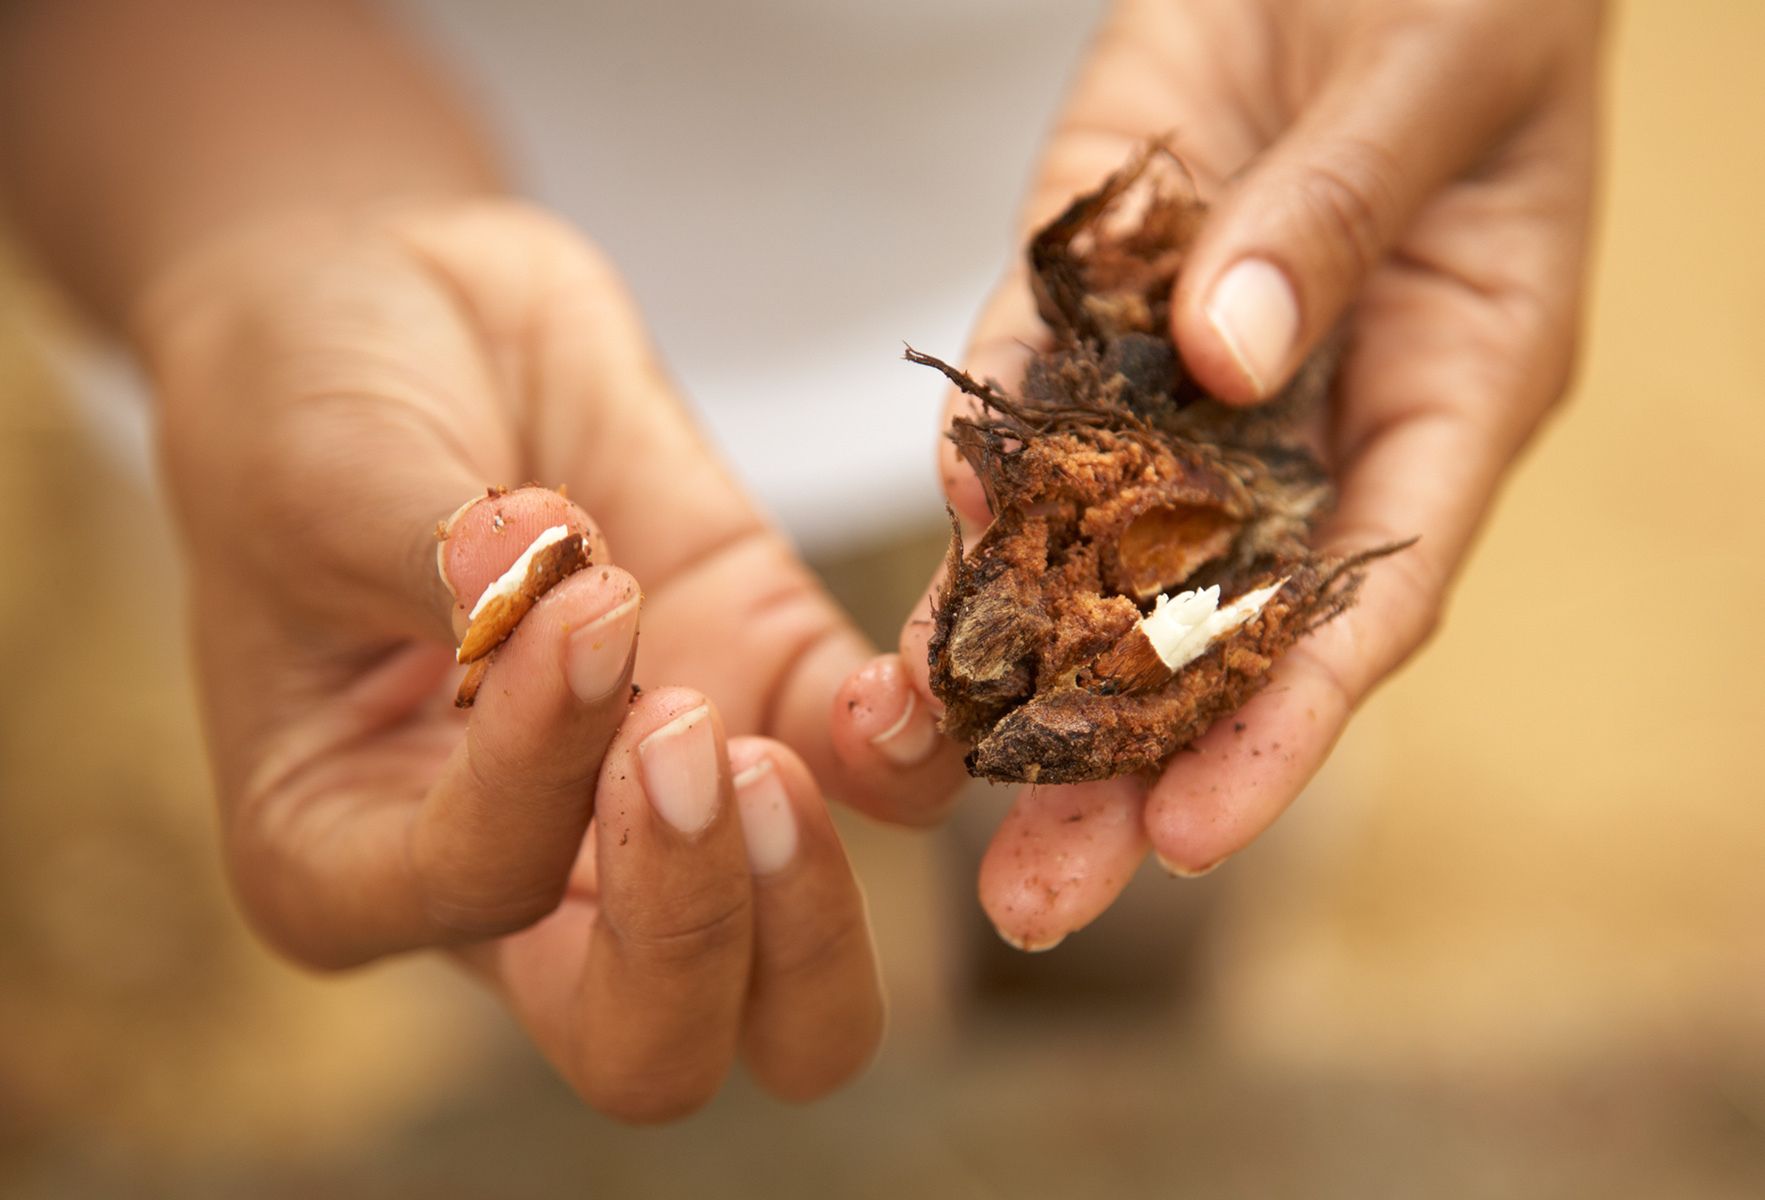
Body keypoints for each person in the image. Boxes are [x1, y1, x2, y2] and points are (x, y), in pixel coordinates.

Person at [0, 0, 1602, 1121]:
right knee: (562, 895)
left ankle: (1128, 1037)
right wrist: (253, 254)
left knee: (1157, 858)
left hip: (1191, 128)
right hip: (409, 329)